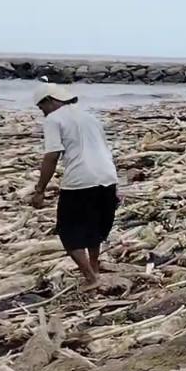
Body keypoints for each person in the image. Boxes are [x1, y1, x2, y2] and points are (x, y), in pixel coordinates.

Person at [31, 83, 118, 290]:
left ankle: (90, 278)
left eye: (42, 107)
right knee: (94, 228)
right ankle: (94, 268)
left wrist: (40, 190)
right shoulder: (90, 117)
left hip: (80, 180)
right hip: (107, 176)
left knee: (68, 233)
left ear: (50, 101)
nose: (43, 113)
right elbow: (104, 149)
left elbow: (52, 155)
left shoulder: (54, 119)